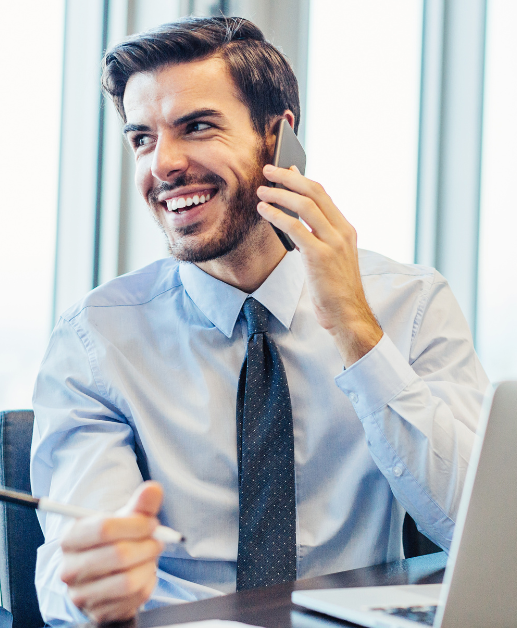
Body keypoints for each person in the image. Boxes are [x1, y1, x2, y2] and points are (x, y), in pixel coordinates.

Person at [30, 15, 489, 625]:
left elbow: (476, 525)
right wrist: (94, 579)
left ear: (278, 140)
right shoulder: (98, 338)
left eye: (196, 127)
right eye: (142, 138)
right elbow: (76, 552)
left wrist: (356, 330)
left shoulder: (411, 305)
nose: (162, 165)